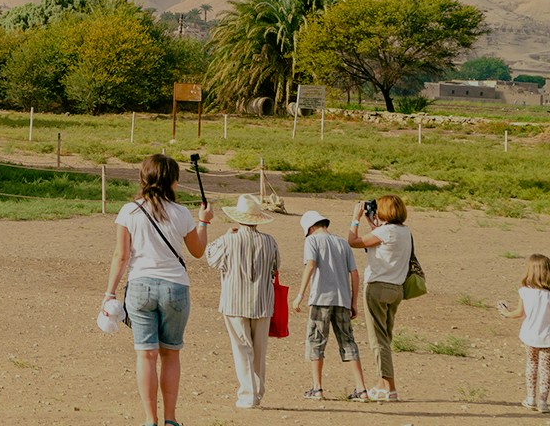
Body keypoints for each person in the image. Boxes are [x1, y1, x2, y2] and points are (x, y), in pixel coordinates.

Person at [103, 154, 214, 426]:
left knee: (146, 354)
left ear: (144, 177)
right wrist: (204, 222)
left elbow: (121, 256)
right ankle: (170, 419)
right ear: (172, 180)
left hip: (140, 285)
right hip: (175, 287)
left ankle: (150, 420)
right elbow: (198, 251)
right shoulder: (181, 213)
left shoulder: (129, 211)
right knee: (170, 353)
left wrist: (110, 293)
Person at [205, 193, 280, 410]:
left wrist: (224, 235)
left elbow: (211, 257)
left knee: (242, 348)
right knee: (259, 350)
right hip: (263, 301)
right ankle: (257, 392)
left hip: (235, 300)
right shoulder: (270, 241)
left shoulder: (229, 240)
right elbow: (277, 266)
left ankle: (248, 394)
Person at [291, 209, 369, 401]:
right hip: (342, 300)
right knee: (348, 342)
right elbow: (355, 274)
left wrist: (300, 294)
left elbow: (310, 265)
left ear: (310, 228)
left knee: (316, 341)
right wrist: (353, 302)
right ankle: (362, 389)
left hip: (320, 299)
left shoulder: (312, 241)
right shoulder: (343, 242)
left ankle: (317, 389)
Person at [346, 194, 412, 401]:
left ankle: (390, 388)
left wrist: (355, 218)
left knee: (378, 340)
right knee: (386, 337)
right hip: (397, 288)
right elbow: (381, 240)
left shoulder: (386, 231)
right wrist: (371, 222)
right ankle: (381, 385)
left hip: (377, 287)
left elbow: (353, 241)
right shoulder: (404, 231)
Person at [498, 253, 550, 412]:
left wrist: (505, 312)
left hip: (530, 335)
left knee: (532, 364)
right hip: (548, 337)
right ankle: (543, 401)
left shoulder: (525, 291)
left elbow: (519, 313)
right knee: (546, 368)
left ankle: (530, 398)